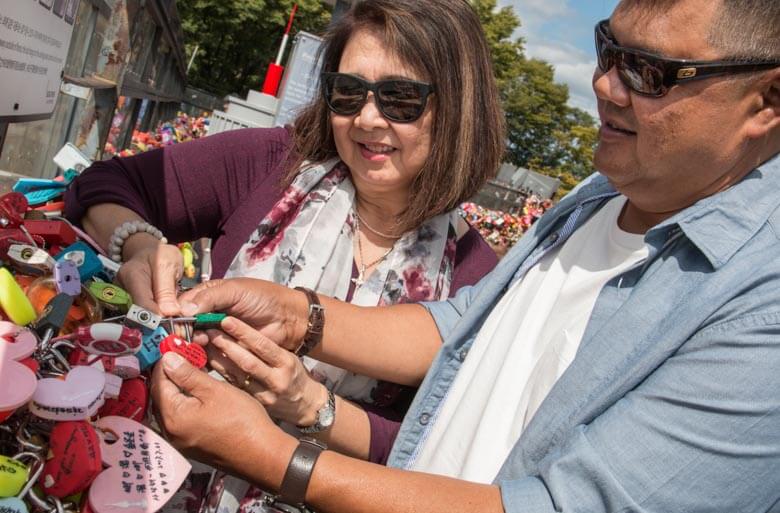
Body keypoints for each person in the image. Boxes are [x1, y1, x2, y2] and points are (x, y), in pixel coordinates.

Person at [151, 0, 780, 511]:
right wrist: (298, 314)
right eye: (606, 49)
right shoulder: (600, 194)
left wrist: (275, 456)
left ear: (767, 102)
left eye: (650, 71)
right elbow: (466, 327)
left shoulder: (761, 305)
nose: (605, 85)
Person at [64, 0, 503, 507]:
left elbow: (423, 453)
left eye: (399, 99)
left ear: (457, 109)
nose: (365, 117)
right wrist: (138, 243)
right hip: (151, 479)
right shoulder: (270, 164)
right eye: (348, 91)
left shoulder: (478, 277)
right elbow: (103, 183)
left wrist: (309, 404)